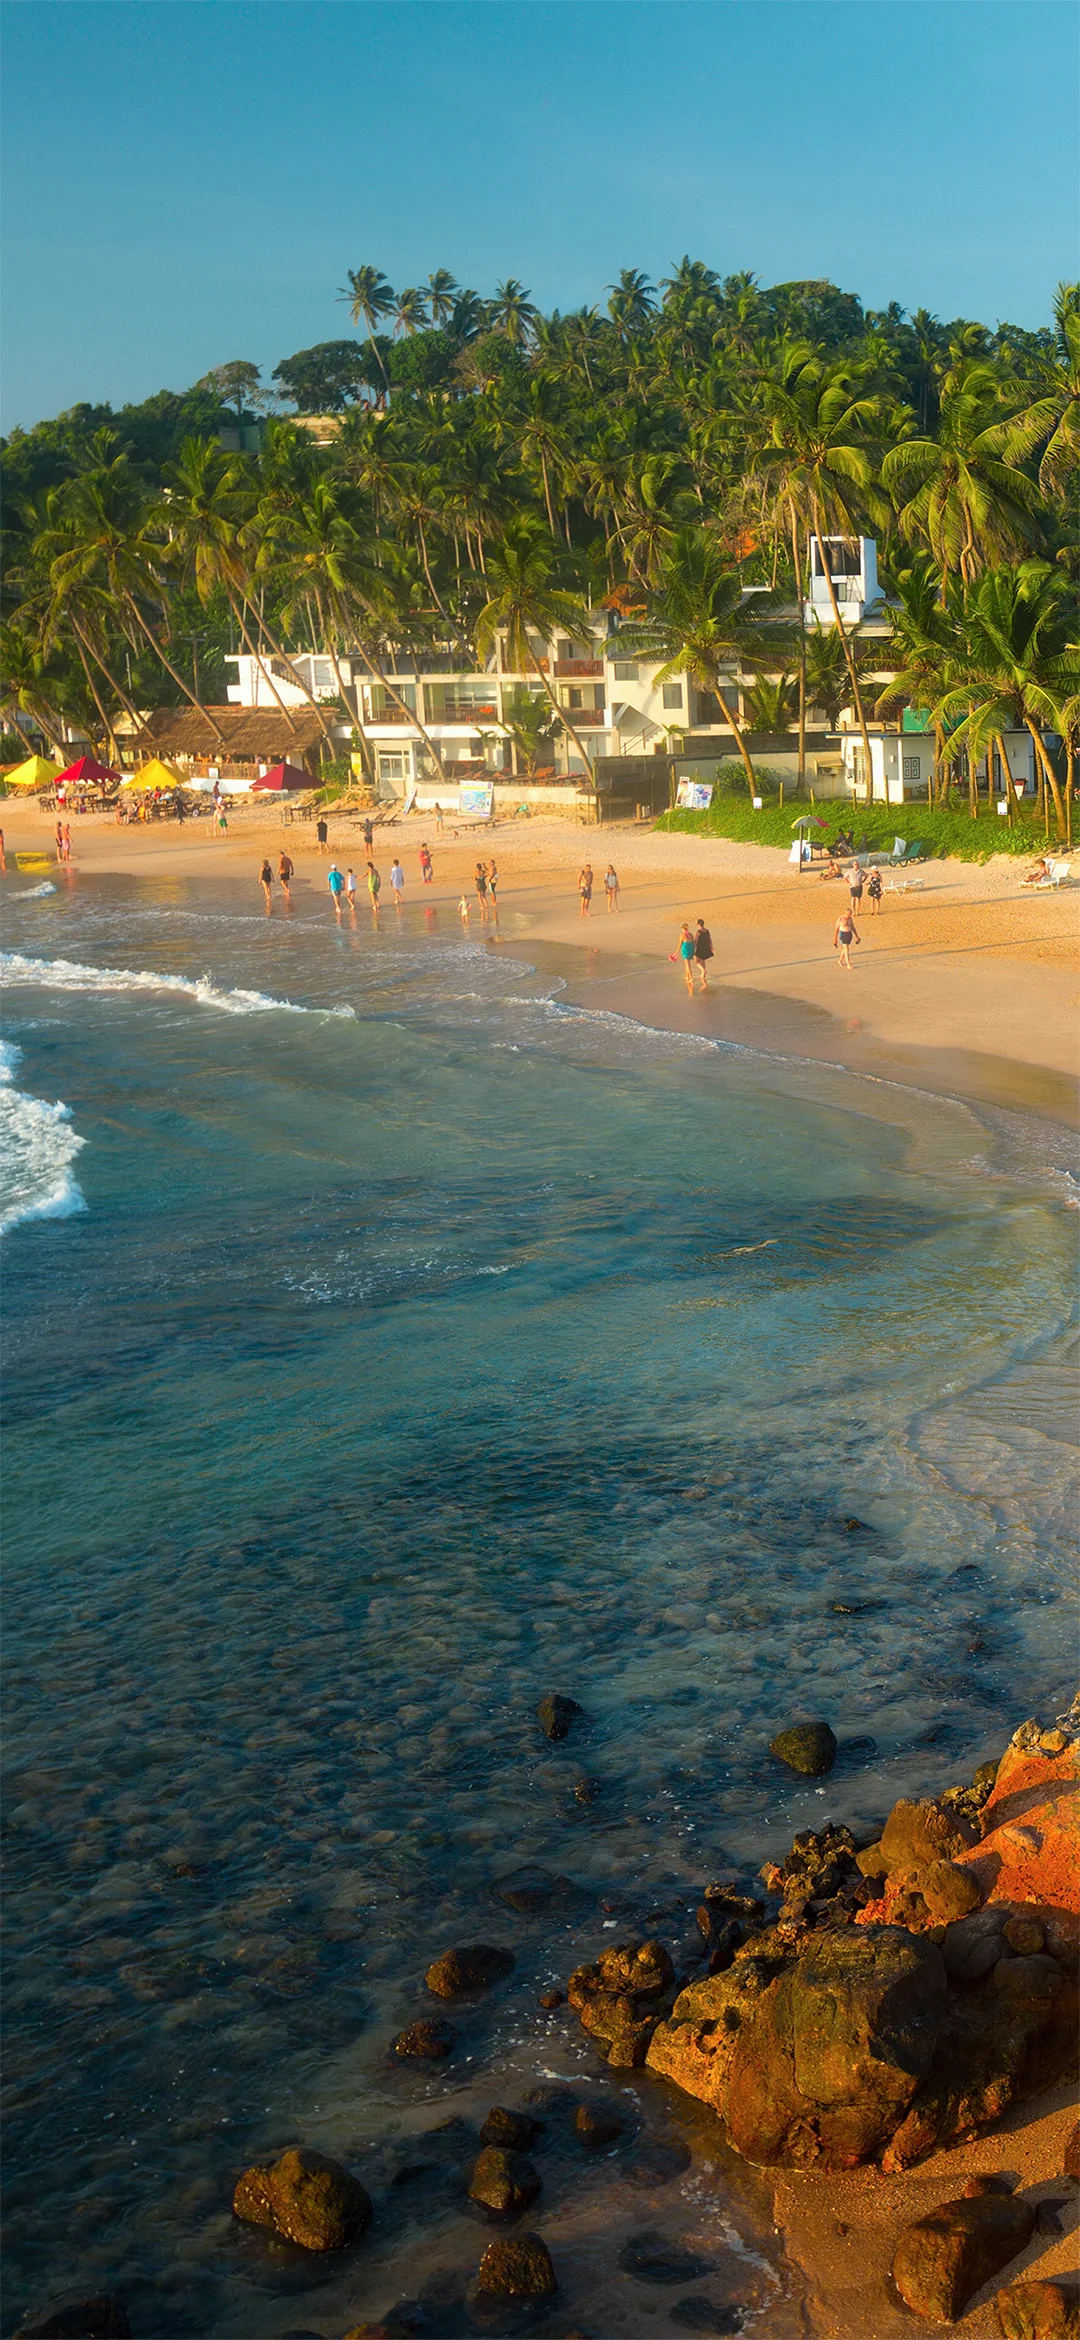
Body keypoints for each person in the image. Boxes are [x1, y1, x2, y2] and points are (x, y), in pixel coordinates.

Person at [676, 922, 696, 994]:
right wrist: (693, 951)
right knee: (687, 963)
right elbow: (694, 943)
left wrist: (676, 952)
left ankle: (691, 977)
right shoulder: (691, 934)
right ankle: (687, 976)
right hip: (691, 949)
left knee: (687, 965)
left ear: (682, 929)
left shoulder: (682, 935)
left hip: (685, 950)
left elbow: (679, 944)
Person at [694, 918, 714, 989]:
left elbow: (696, 941)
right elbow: (709, 939)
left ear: (698, 924)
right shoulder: (707, 931)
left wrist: (693, 948)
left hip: (700, 948)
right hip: (706, 947)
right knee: (703, 960)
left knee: (696, 961)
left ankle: (703, 971)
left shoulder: (698, 932)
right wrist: (711, 946)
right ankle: (703, 975)